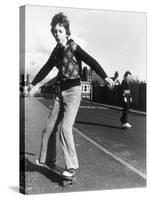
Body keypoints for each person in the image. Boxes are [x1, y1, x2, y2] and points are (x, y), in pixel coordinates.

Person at [28, 12, 114, 178]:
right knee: (48, 128)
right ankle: (49, 159)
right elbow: (46, 68)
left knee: (65, 128)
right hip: (61, 93)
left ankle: (72, 166)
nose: (56, 34)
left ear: (66, 32)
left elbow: (91, 61)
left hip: (74, 92)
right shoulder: (56, 52)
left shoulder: (74, 47)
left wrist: (105, 76)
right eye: (54, 31)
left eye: (59, 31)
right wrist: (33, 83)